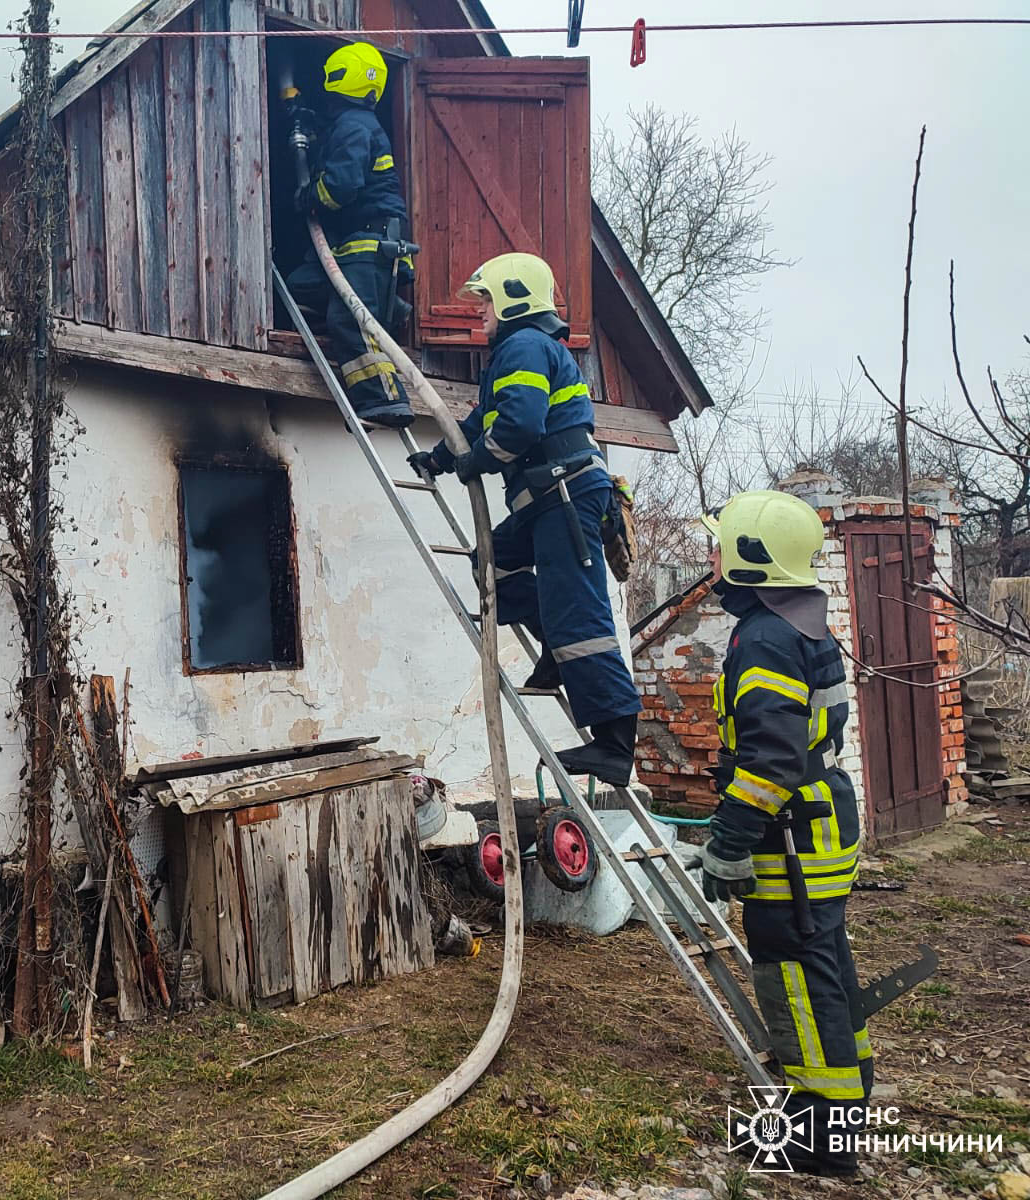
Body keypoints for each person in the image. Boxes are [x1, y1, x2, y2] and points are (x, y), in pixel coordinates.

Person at [406, 252, 641, 784]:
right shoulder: (518, 355)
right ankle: (556, 650)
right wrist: (440, 460)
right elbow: (480, 422)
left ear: (514, 297)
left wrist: (471, 463)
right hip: (545, 500)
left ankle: (615, 743)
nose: (478, 312)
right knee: (495, 562)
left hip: (563, 495)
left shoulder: (525, 346)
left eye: (485, 300)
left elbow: (517, 429)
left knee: (579, 612)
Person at [698, 490, 871, 1176]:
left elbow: (770, 759)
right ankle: (844, 1104)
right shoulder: (798, 622)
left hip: (791, 840)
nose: (708, 558)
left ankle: (820, 1140)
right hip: (818, 825)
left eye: (719, 546)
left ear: (750, 559)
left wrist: (731, 842)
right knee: (824, 964)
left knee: (796, 977)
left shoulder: (764, 637)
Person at [284, 41, 415, 429]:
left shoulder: (354, 126)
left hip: (367, 245)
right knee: (301, 287)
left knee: (351, 321)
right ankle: (393, 309)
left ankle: (385, 401)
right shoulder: (351, 126)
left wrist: (308, 197)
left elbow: (339, 188)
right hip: (354, 248)